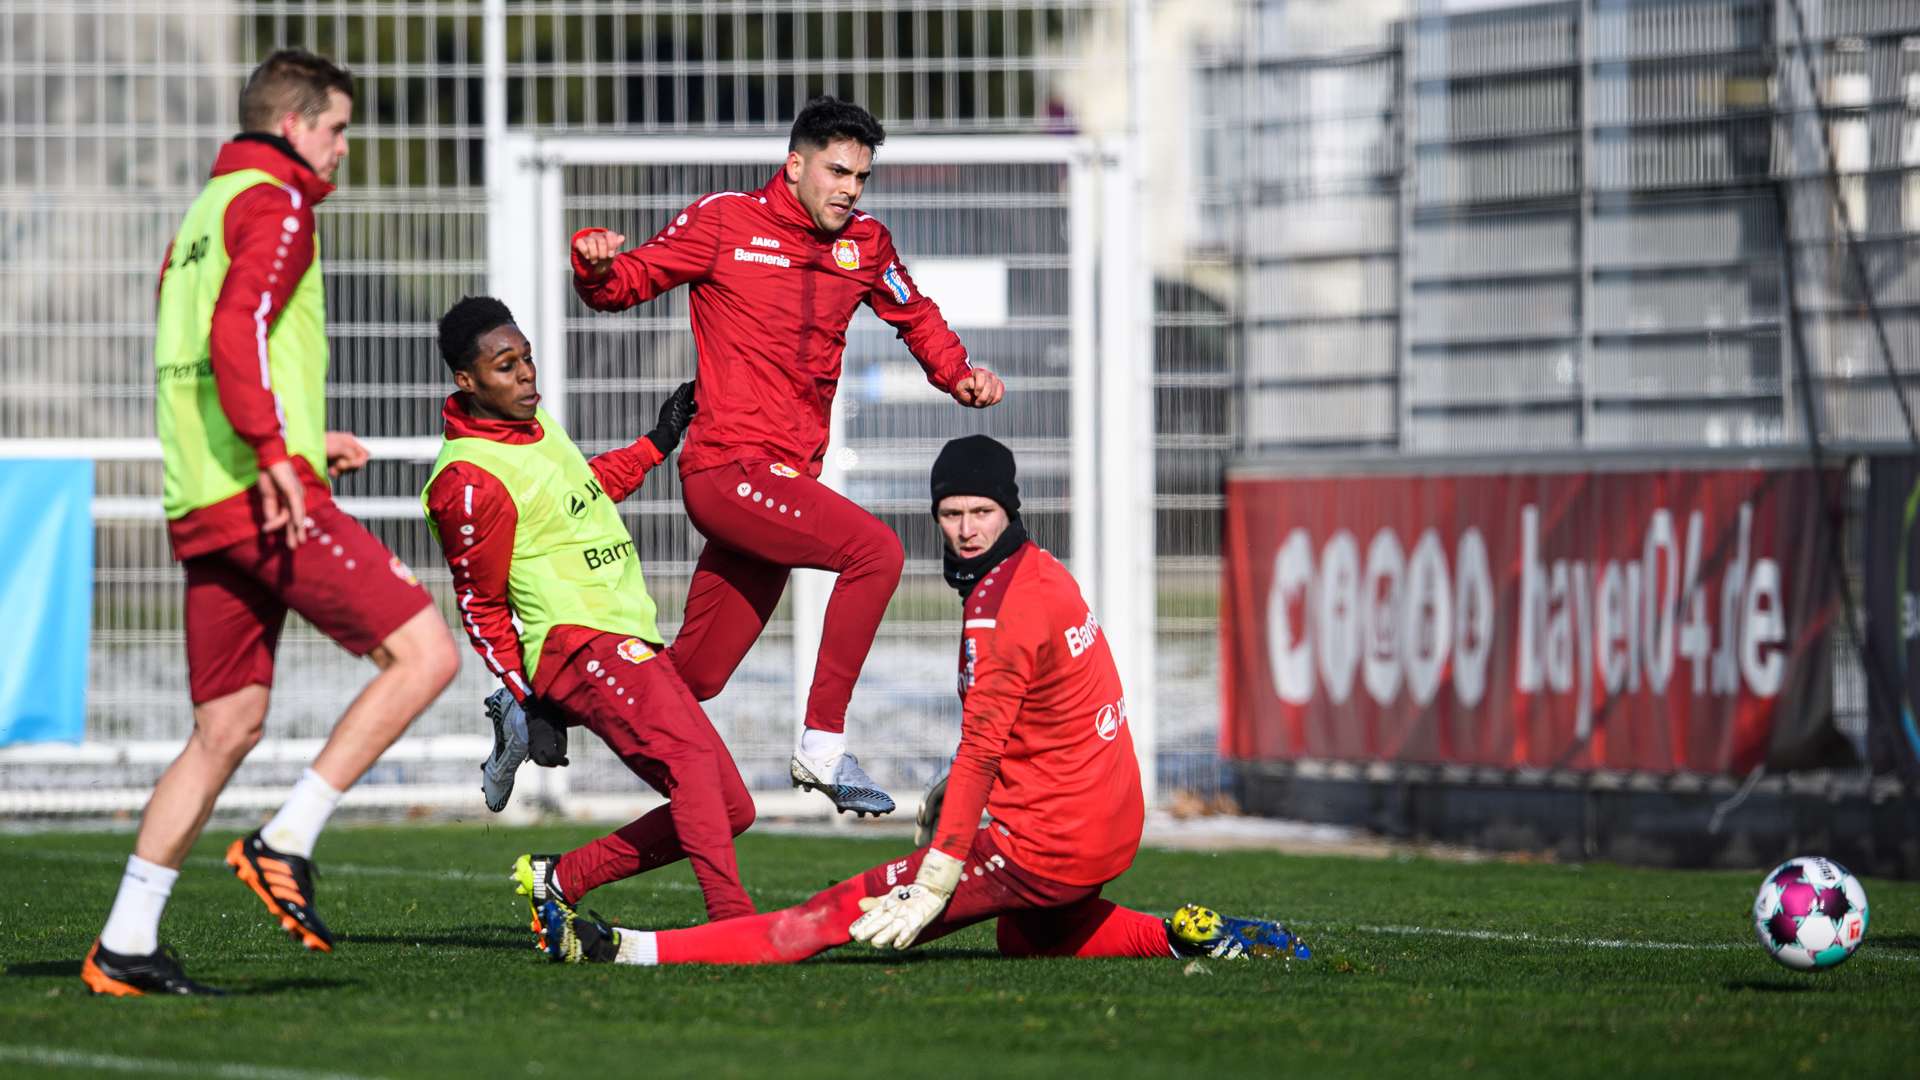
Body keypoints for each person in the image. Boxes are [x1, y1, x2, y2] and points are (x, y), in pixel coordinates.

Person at [536, 436, 1310, 966]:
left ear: (1009, 510)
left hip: (1047, 841)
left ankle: (628, 948)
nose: (966, 531)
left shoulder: (997, 612)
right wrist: (958, 797)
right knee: (1032, 940)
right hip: (1108, 826)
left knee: (830, 914)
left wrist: (938, 873)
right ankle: (1187, 939)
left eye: (982, 513)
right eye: (952, 514)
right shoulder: (1044, 572)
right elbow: (1050, 714)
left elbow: (982, 746)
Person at [83, 50, 461, 997]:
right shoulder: (278, 202)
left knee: (226, 725)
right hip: (259, 493)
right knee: (426, 654)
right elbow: (235, 330)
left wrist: (294, 435)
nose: (341, 151)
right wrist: (276, 455)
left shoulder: (201, 216)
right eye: (336, 130)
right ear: (293, 125)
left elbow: (200, 350)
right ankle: (284, 839)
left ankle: (124, 945)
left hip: (201, 495)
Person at [570, 96, 1006, 817]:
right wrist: (594, 266)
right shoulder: (723, 222)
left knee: (693, 677)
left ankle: (539, 709)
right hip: (727, 470)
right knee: (876, 552)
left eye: (860, 177)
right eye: (837, 171)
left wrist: (955, 372)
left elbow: (913, 311)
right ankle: (823, 744)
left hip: (779, 484)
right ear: (795, 164)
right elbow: (626, 284)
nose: (849, 189)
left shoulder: (864, 244)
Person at [422, 296, 758, 933]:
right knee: (690, 765)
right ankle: (734, 926)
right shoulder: (468, 479)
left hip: (627, 637)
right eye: (505, 366)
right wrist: (529, 697)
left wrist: (659, 442)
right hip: (576, 646)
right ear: (466, 382)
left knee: (731, 807)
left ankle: (563, 879)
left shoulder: (535, 426)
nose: (526, 375)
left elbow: (582, 494)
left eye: (526, 359)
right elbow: (481, 606)